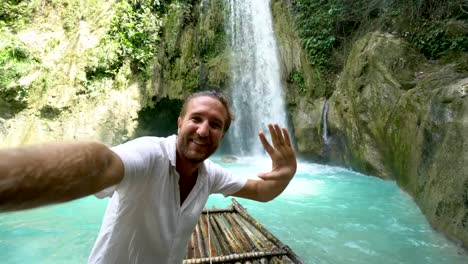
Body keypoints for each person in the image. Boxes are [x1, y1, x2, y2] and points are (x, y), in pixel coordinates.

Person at [0, 90, 297, 263]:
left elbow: (261, 192)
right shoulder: (149, 154)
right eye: (196, 119)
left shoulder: (210, 175)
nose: (204, 130)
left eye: (215, 124)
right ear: (180, 123)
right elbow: (101, 164)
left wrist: (286, 175)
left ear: (222, 135)